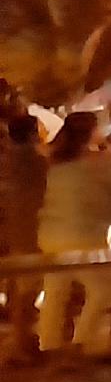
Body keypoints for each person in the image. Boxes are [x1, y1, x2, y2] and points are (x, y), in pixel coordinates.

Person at [35, 114, 111, 361]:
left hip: (50, 233)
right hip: (84, 235)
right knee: (103, 289)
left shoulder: (53, 162)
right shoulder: (97, 163)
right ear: (91, 132)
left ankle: (49, 346)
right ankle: (80, 343)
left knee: (55, 291)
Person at [1, 113, 49, 363]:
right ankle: (20, 343)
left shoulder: (7, 160)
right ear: (32, 134)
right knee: (28, 287)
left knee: (19, 285)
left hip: (12, 228)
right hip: (30, 228)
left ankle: (21, 340)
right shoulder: (35, 162)